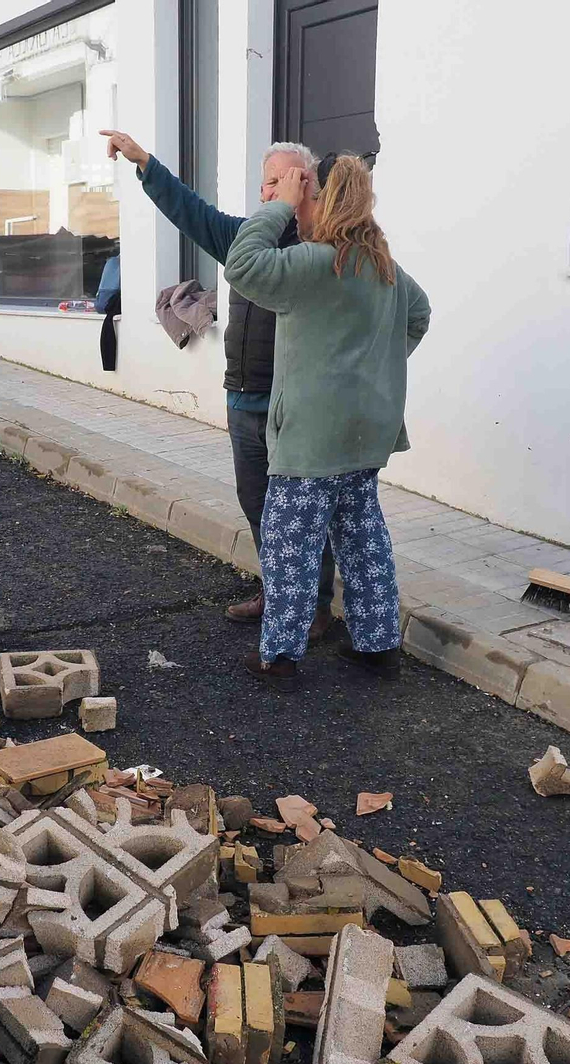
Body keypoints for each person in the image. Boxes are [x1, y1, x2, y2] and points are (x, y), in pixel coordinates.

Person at [102, 128, 335, 643]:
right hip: (242, 399)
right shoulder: (247, 239)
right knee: (257, 506)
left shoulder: (319, 247)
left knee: (300, 514)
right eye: (262, 184)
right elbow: (192, 212)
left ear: (303, 182)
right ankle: (279, 591)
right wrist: (146, 164)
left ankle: (316, 605)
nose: (264, 194)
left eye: (275, 183)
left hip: (291, 406)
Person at [222, 155, 430, 686]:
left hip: (312, 438)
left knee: (288, 541)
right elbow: (419, 313)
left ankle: (280, 657)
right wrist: (377, 367)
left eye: (306, 194)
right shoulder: (381, 265)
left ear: (323, 197)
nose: (300, 204)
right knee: (362, 537)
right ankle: (378, 648)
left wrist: (279, 207)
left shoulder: (318, 262)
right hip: (366, 433)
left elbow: (243, 265)